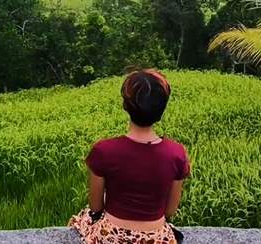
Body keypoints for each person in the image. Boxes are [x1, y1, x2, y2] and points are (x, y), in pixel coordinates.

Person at [68, 67, 190, 244]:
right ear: (161, 109)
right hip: (157, 238)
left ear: (125, 105)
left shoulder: (104, 150)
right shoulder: (176, 153)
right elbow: (170, 211)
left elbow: (96, 207)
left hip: (111, 236)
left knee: (82, 217)